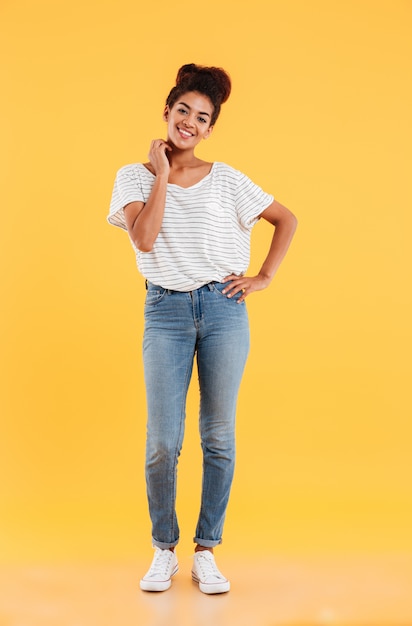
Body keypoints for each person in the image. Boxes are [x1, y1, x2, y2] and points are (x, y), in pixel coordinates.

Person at [107, 63, 297, 595]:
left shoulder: (230, 180)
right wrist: (161, 174)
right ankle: (163, 549)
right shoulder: (132, 176)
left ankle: (207, 550)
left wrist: (262, 277)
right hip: (164, 311)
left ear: (211, 128)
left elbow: (286, 219)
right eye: (183, 110)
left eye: (202, 117)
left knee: (218, 436)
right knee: (163, 441)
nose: (190, 122)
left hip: (222, 311)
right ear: (166, 113)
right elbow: (144, 240)